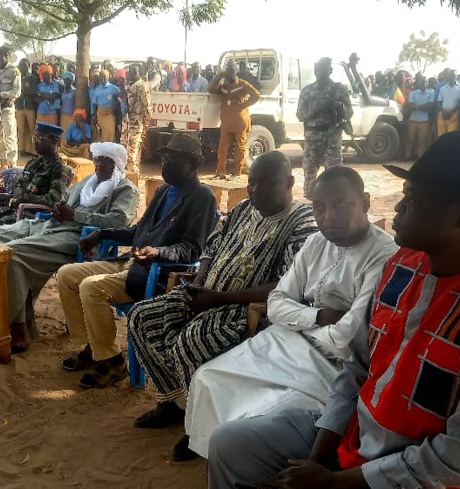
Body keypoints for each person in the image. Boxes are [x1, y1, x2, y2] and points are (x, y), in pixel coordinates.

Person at [206, 131, 460, 489]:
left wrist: (334, 484)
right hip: (362, 436)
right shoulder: (403, 266)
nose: (397, 208)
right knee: (232, 446)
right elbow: (357, 368)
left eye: (414, 199)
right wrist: (316, 463)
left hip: (434, 478)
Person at [181, 167, 397, 462]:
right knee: (209, 377)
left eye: (341, 204)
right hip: (287, 341)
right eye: (319, 207)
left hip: (334, 365)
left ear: (366, 202)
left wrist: (298, 318)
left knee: (263, 413)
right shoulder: (316, 243)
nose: (329, 216)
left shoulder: (384, 255)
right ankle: (219, 455)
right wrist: (317, 316)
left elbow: (347, 339)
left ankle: (243, 460)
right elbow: (277, 301)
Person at [128, 151, 318, 430]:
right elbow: (211, 248)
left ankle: (201, 421)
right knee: (142, 316)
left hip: (248, 310)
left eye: (266, 183)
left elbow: (286, 285)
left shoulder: (302, 221)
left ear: (289, 182)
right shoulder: (243, 209)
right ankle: (173, 403)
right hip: (207, 295)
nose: (255, 190)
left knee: (193, 339)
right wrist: (198, 285)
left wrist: (218, 299)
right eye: (252, 182)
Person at [57, 134, 218, 389]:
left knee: (91, 287)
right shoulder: (165, 191)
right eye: (164, 158)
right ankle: (94, 346)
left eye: (173, 159)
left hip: (158, 274)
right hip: (134, 263)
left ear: (192, 164)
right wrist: (103, 233)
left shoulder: (202, 197)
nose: (165, 164)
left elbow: (192, 250)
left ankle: (113, 362)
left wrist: (158, 252)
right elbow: (139, 231)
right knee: (67, 275)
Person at [0, 140, 139, 353]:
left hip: (78, 237)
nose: (100, 165)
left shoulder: (126, 189)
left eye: (106, 161)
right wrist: (58, 209)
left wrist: (76, 215)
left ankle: (18, 330)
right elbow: (64, 200)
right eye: (97, 159)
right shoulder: (89, 181)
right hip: (48, 224)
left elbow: (119, 221)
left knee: (12, 255)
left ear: (117, 164)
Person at [0, 121, 68, 232]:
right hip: (12, 208)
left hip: (31, 215)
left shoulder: (59, 169)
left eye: (39, 139)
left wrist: (24, 197)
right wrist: (17, 189)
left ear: (55, 142)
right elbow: (19, 183)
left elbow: (54, 201)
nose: (35, 142)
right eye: (34, 138)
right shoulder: (33, 162)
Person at [296, 58, 353, 198]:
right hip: (312, 135)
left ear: (330, 70)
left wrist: (337, 105)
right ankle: (310, 201)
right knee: (309, 172)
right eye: (318, 69)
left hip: (332, 135)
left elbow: (349, 112)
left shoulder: (339, 89)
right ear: (315, 71)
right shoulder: (307, 91)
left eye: (324, 68)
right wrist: (316, 109)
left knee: (334, 172)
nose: (320, 72)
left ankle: (334, 199)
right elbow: (300, 115)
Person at [208, 61, 261, 180]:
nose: (228, 74)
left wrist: (243, 105)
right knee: (222, 147)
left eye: (230, 72)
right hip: (226, 120)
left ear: (235, 72)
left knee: (240, 146)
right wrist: (218, 76)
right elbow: (210, 89)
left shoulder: (243, 84)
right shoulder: (223, 85)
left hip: (239, 120)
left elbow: (257, 95)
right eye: (226, 72)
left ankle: (237, 171)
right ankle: (220, 171)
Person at [0, 46, 21, 167]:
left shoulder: (14, 71)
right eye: (0, 55)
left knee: (10, 136)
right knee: (0, 136)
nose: (2, 57)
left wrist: (3, 95)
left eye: (5, 55)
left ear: (9, 56)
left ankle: (12, 163)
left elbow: (17, 91)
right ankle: (3, 162)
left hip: (8, 108)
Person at [124, 64, 152, 173]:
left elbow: (147, 106)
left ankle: (132, 173)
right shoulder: (129, 85)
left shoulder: (142, 86)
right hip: (127, 121)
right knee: (126, 148)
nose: (130, 74)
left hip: (136, 121)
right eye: (130, 71)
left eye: (133, 71)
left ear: (139, 73)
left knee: (133, 149)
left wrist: (146, 122)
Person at [403, 75, 434, 160]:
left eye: (425, 82)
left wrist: (417, 106)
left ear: (427, 83)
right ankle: (407, 156)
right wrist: (423, 106)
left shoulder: (431, 92)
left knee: (422, 140)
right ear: (418, 83)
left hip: (424, 120)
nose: (423, 84)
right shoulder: (413, 93)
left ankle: (421, 157)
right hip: (413, 119)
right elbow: (410, 106)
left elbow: (430, 106)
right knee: (410, 139)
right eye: (422, 82)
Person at [91, 69, 121, 143]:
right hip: (100, 114)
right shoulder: (97, 90)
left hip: (110, 114)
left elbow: (120, 101)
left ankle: (110, 151)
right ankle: (102, 151)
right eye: (101, 77)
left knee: (110, 132)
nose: (103, 79)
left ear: (108, 77)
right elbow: (94, 104)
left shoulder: (114, 89)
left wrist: (118, 113)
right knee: (100, 134)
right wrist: (94, 116)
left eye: (105, 77)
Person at [15, 58, 37, 156]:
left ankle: (34, 150)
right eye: (21, 65)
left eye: (24, 65)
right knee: (21, 131)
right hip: (19, 107)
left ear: (28, 66)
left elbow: (33, 92)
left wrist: (22, 91)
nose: (22, 67)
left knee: (32, 130)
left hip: (29, 107)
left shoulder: (32, 78)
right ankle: (21, 149)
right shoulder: (17, 77)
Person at [436, 69, 460, 135]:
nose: (451, 77)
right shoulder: (443, 88)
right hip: (442, 114)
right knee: (440, 136)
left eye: (453, 76)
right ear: (447, 77)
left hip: (453, 114)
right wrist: (443, 112)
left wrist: (451, 112)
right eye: (450, 76)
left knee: (451, 136)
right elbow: (439, 102)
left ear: (456, 76)